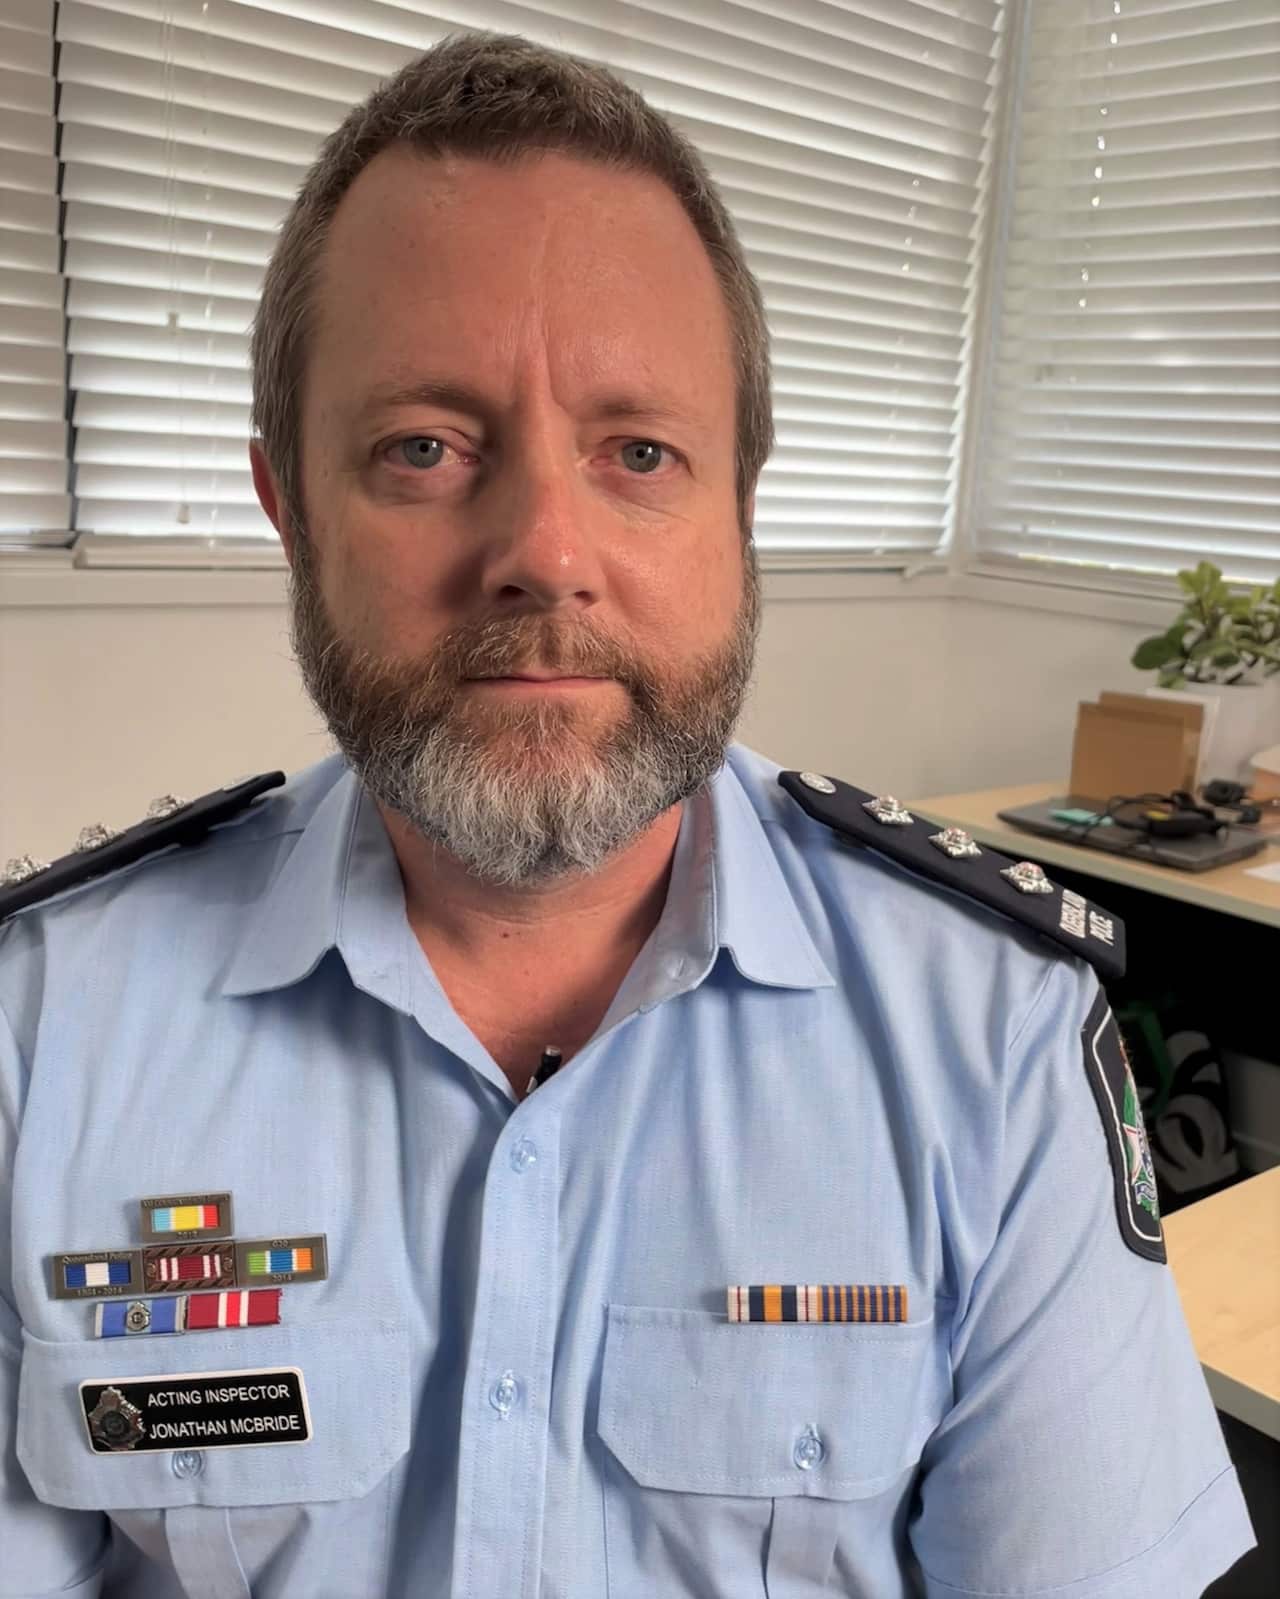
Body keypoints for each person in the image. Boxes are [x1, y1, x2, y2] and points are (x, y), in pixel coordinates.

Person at [0, 30, 1255, 1599]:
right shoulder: (43, 1023)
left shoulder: (987, 1032)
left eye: (640, 452)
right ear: (288, 505)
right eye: (424, 448)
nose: (542, 550)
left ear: (742, 505)